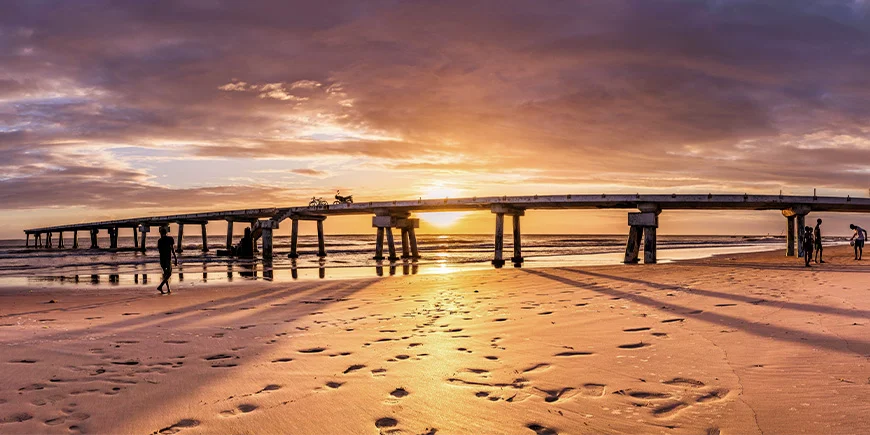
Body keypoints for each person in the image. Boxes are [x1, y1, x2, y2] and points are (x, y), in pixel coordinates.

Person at [156, 226, 177, 294]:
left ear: (160, 233)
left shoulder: (159, 241)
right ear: (166, 232)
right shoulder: (170, 239)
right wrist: (175, 258)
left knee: (165, 274)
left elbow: (160, 251)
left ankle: (168, 289)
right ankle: (160, 286)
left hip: (162, 259)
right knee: (169, 274)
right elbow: (172, 249)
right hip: (168, 259)